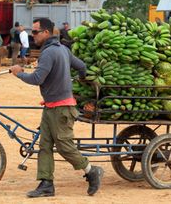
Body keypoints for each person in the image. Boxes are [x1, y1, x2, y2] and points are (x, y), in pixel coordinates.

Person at [10, 18, 104, 198]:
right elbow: (82, 67)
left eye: (36, 32)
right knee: (45, 145)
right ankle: (46, 184)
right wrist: (79, 81)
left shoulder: (49, 53)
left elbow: (37, 79)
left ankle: (92, 171)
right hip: (52, 106)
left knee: (64, 146)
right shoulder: (63, 50)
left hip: (61, 109)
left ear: (46, 33)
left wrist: (19, 73)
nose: (33, 35)